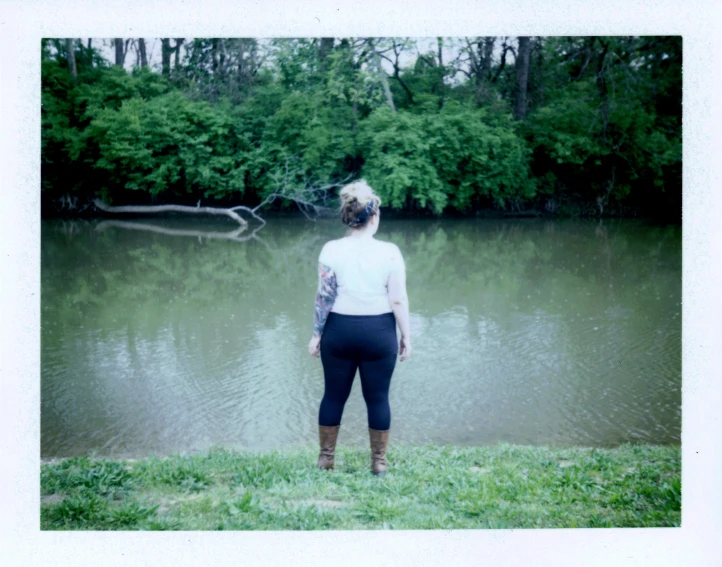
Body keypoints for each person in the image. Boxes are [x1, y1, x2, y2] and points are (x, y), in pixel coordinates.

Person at [307, 180, 411, 476]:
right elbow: (398, 300)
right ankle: (378, 463)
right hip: (378, 333)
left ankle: (326, 459)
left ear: (349, 217)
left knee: (332, 395)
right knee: (378, 398)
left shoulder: (331, 249)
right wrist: (407, 335)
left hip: (338, 332)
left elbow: (324, 297)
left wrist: (316, 334)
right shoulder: (390, 252)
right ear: (374, 218)